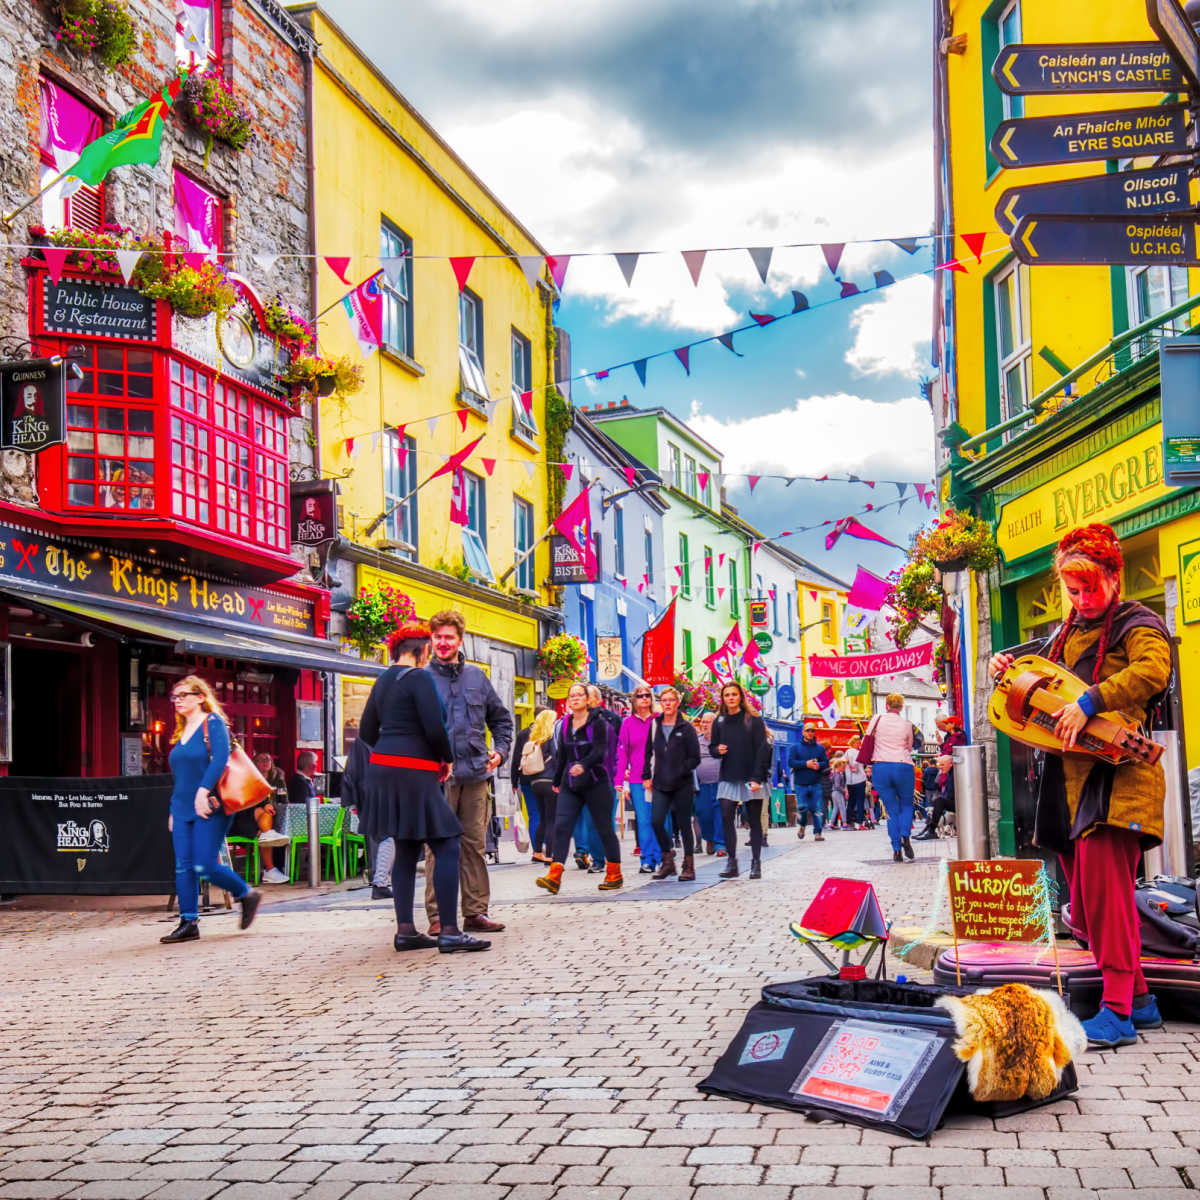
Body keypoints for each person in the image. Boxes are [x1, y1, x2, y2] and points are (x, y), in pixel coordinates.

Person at [989, 522, 1170, 1048]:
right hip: (1066, 786)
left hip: (1119, 779)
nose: (1083, 598)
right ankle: (1140, 1000)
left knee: (1107, 899)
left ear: (1115, 576)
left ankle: (1117, 1012)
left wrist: (1090, 701)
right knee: (1086, 908)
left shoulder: (1140, 622)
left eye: (1091, 587)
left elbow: (1154, 670)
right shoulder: (1064, 633)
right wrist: (1007, 669)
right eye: (1073, 589)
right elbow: (1037, 676)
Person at [358, 621, 489, 954]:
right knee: (447, 842)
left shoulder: (383, 679)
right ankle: (448, 931)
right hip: (414, 771)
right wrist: (444, 758)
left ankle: (405, 931)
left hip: (383, 770)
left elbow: (367, 730)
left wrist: (391, 748)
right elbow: (435, 727)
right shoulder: (419, 677)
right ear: (421, 651)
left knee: (405, 845)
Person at [426, 610, 513, 935]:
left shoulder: (477, 677)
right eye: (438, 637)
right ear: (432, 640)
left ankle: (475, 912)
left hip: (476, 773)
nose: (443, 643)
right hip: (438, 778)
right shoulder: (423, 678)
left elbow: (502, 721)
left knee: (474, 845)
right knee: (437, 846)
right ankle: (438, 916)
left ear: (460, 640)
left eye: (449, 637)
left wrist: (501, 752)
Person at [160, 676, 261, 944]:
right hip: (182, 808)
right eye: (175, 697)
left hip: (210, 804)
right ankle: (188, 921)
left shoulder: (213, 723)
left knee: (204, 863)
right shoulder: (181, 731)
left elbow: (220, 760)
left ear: (201, 697)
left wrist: (203, 792)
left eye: (184, 695)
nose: (178, 701)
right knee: (182, 867)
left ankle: (246, 893)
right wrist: (173, 809)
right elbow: (181, 777)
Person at [536, 683, 623, 894]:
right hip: (571, 784)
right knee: (562, 826)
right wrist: (557, 780)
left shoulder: (599, 723)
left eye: (579, 695)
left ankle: (614, 873)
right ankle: (554, 875)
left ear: (587, 699)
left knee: (603, 828)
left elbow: (600, 750)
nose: (575, 699)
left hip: (596, 782)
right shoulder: (566, 723)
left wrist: (583, 765)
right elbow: (563, 754)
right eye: (571, 696)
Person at [711, 681, 768, 880]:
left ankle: (756, 862)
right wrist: (717, 750)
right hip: (728, 775)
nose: (731, 698)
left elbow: (763, 749)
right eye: (727, 695)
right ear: (723, 698)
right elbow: (712, 747)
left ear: (740, 697)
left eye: (734, 694)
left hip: (751, 776)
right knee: (726, 814)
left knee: (753, 821)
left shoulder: (753, 719)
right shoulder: (719, 721)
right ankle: (732, 860)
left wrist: (757, 778)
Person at [643, 686, 701, 880]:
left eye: (671, 700)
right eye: (664, 700)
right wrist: (646, 775)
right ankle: (668, 860)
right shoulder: (655, 725)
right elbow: (648, 751)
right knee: (656, 821)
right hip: (660, 782)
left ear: (677, 703)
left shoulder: (687, 728)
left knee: (684, 823)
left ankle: (689, 865)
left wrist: (681, 769)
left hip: (682, 783)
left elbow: (695, 758)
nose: (667, 704)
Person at [615, 685, 658, 873]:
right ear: (634, 700)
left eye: (647, 695)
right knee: (643, 819)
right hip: (638, 779)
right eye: (640, 696)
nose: (644, 698)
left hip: (660, 777)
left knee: (660, 818)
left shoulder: (658, 720)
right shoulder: (627, 723)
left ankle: (661, 855)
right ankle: (647, 859)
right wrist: (619, 779)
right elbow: (622, 752)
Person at [867, 694, 915, 861]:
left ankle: (896, 849)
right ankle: (905, 835)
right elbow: (909, 747)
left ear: (886, 705)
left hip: (881, 766)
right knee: (907, 805)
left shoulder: (877, 719)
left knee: (892, 810)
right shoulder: (907, 724)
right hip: (903, 765)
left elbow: (868, 738)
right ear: (901, 707)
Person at [511, 707, 558, 864]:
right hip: (549, 780)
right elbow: (557, 759)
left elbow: (516, 758)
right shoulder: (552, 737)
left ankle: (537, 851)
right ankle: (550, 855)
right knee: (551, 819)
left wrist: (513, 780)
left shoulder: (528, 736)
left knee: (537, 816)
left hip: (530, 781)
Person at [788, 723, 829, 842]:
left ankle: (818, 833)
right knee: (802, 808)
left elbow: (825, 763)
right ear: (803, 732)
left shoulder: (820, 748)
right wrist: (806, 764)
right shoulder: (795, 747)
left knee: (817, 809)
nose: (810, 733)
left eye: (812, 731)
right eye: (808, 731)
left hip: (816, 782)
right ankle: (802, 825)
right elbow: (791, 762)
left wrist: (818, 765)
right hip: (801, 783)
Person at [693, 712, 725, 855]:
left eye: (708, 722)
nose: (704, 725)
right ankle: (709, 838)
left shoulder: (722, 741)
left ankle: (720, 844)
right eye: (703, 722)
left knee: (719, 814)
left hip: (720, 784)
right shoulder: (696, 741)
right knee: (703, 814)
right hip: (701, 785)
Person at [917, 754, 955, 840]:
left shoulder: (954, 774)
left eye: (942, 765)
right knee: (937, 802)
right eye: (939, 765)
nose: (940, 767)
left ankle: (930, 830)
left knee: (939, 801)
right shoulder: (948, 774)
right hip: (952, 801)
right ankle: (930, 829)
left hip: (960, 803)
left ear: (951, 764)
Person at [844, 733, 869, 829]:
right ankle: (860, 823)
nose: (859, 745)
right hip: (859, 780)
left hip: (850, 782)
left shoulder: (846, 752)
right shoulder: (858, 753)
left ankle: (849, 822)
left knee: (851, 802)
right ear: (855, 743)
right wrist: (854, 768)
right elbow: (856, 766)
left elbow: (844, 762)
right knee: (860, 802)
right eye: (858, 743)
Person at [829, 756, 848, 829]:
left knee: (836, 808)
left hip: (834, 792)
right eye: (843, 767)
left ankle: (831, 823)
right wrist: (844, 791)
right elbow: (837, 786)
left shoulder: (834, 773)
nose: (844, 769)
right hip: (838, 793)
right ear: (839, 766)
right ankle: (845, 823)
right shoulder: (838, 774)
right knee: (842, 807)